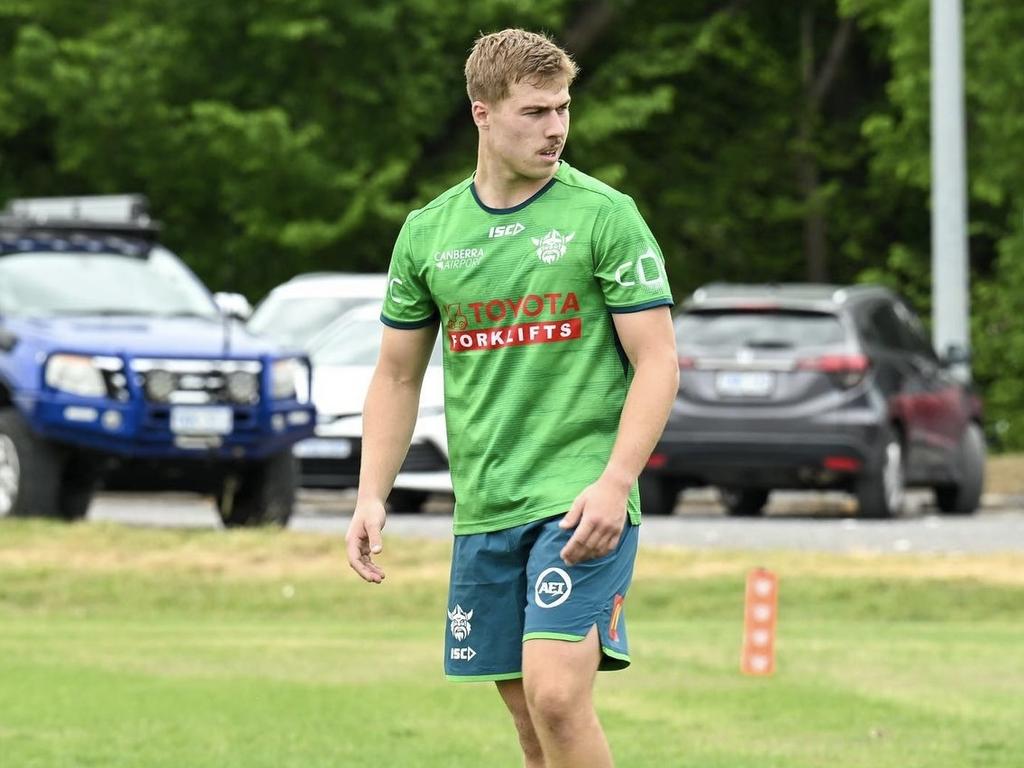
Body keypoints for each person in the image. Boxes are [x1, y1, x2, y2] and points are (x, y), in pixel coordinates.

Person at [346, 28, 679, 768]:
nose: (556, 127)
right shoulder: (428, 235)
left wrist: (614, 483)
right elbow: (397, 376)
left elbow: (658, 363)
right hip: (487, 504)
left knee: (559, 697)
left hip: (579, 500)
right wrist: (373, 493)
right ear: (482, 114)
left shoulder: (604, 216)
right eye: (534, 111)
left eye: (562, 108)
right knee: (534, 725)